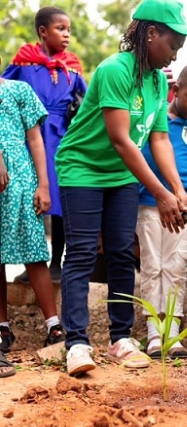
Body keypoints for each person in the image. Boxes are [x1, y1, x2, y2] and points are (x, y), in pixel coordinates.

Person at [55, 0, 187, 376]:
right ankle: (76, 344)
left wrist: (177, 190)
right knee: (84, 252)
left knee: (121, 252)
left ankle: (121, 337)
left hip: (121, 174)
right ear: (151, 34)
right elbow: (121, 139)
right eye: (172, 45)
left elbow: (159, 141)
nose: (174, 55)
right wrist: (161, 194)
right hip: (83, 168)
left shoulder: (155, 80)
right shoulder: (114, 71)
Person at [2, 6, 87, 285]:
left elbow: (88, 104)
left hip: (62, 139)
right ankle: (32, 260)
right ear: (42, 31)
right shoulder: (23, 61)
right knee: (31, 200)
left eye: (69, 30)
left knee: (60, 197)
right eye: (60, 29)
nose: (66, 35)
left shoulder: (72, 65)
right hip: (31, 141)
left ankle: (57, 261)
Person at [136, 64, 187, 359]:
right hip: (148, 203)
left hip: (183, 208)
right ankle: (154, 333)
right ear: (176, 90)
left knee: (177, 266)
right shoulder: (155, 119)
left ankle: (173, 332)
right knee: (152, 266)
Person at [0, 74, 65, 352]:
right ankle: (2, 328)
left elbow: (35, 139)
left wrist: (44, 185)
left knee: (34, 251)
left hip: (22, 179)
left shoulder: (19, 89)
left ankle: (53, 326)